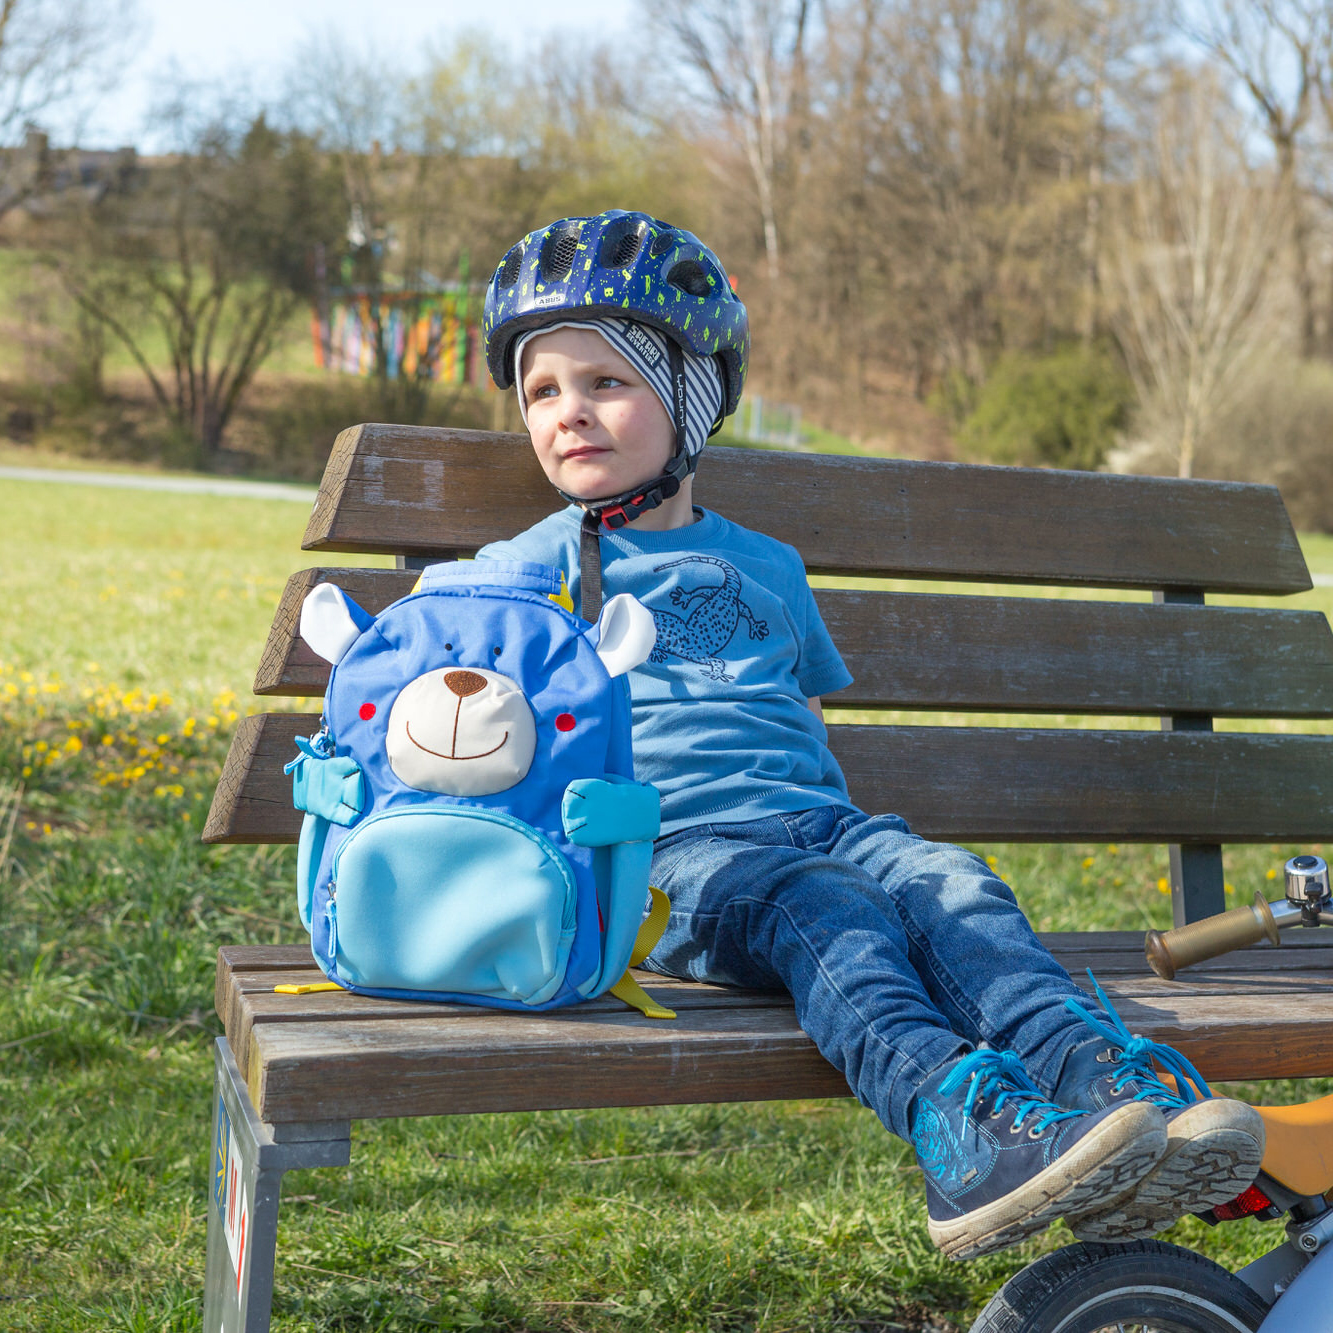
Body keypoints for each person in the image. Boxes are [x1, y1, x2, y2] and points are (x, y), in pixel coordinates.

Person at [474, 208, 1264, 1261]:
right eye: (542, 391)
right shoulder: (523, 571)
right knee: (830, 907)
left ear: (689, 395)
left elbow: (795, 718)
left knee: (947, 879)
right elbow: (452, 693)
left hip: (815, 820)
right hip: (666, 860)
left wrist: (844, 833)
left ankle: (1094, 1087)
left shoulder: (768, 564)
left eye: (605, 382)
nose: (569, 412)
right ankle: (965, 1132)